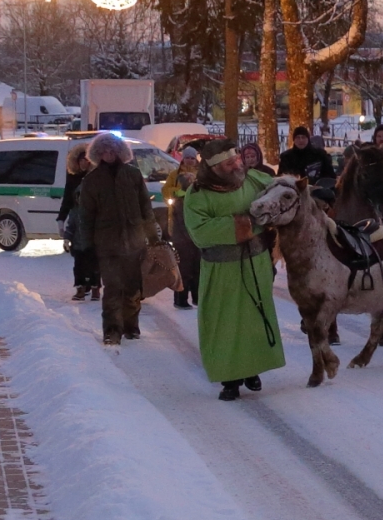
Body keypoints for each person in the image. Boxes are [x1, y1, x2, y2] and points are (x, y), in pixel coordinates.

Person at [182, 139, 286, 399]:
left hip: (256, 263)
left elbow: (280, 195)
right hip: (222, 271)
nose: (237, 164)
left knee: (254, 319)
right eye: (230, 163)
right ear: (215, 167)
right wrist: (246, 224)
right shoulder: (198, 194)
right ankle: (229, 378)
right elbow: (201, 232)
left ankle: (252, 369)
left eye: (237, 159)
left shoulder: (254, 180)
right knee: (225, 323)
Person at [77, 132, 161, 345]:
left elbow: (145, 207)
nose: (108, 155)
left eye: (112, 150)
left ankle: (131, 326)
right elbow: (86, 216)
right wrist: (86, 246)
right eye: (104, 151)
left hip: (134, 242)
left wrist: (152, 236)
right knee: (113, 287)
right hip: (107, 244)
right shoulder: (92, 180)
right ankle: (112, 330)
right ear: (97, 154)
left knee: (133, 288)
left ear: (120, 152)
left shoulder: (132, 175)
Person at [57, 143, 102, 301]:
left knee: (94, 263)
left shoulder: (97, 178)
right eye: (82, 160)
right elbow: (67, 200)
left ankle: (95, 287)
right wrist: (61, 220)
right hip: (78, 238)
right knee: (80, 264)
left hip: (93, 234)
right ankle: (81, 288)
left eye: (88, 160)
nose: (85, 163)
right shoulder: (73, 178)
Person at [162, 147, 202, 309]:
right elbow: (166, 191)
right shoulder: (174, 175)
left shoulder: (202, 174)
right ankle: (181, 298)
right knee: (183, 265)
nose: (190, 161)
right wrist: (180, 192)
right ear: (183, 159)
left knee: (198, 264)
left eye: (192, 158)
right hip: (179, 224)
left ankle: (198, 297)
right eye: (187, 158)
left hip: (198, 224)